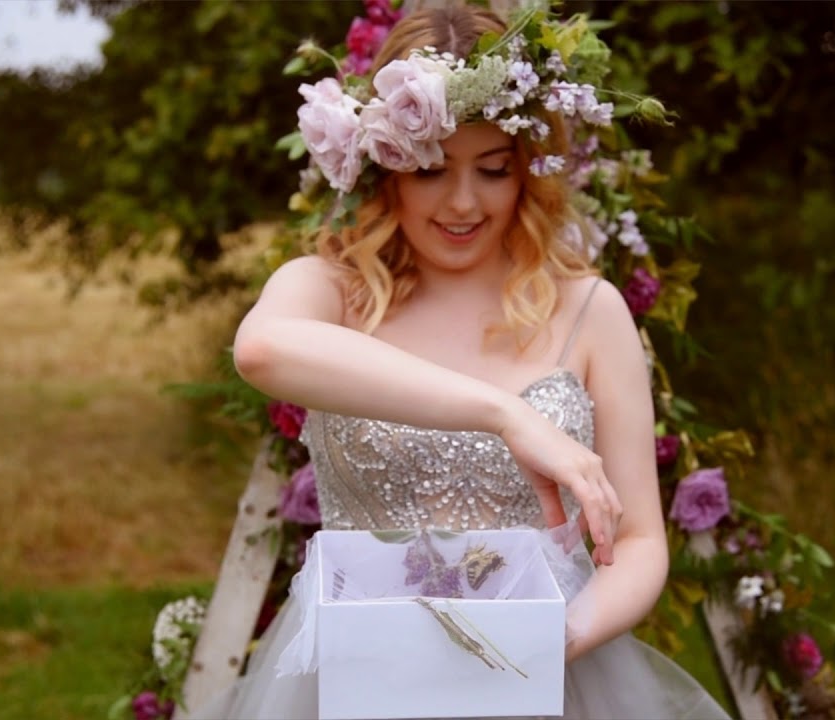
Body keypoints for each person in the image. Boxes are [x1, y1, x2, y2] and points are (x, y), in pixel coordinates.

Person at [192, 4, 730, 719]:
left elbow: (637, 542)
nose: (464, 202)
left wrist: (551, 641)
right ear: (386, 167)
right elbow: (261, 349)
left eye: (494, 169)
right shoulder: (330, 290)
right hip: (362, 677)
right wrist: (507, 415)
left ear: (527, 171)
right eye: (430, 169)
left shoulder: (590, 310)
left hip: (545, 675)